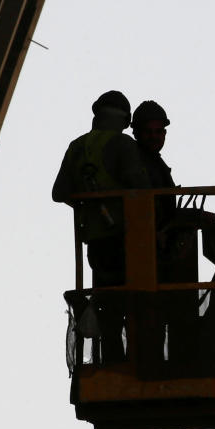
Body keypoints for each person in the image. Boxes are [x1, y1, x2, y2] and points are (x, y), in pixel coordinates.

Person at [53, 90, 149, 286]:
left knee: (106, 301)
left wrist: (86, 203)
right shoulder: (123, 144)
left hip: (93, 242)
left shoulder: (76, 146)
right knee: (132, 299)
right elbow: (143, 191)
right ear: (125, 120)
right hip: (124, 241)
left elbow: (59, 193)